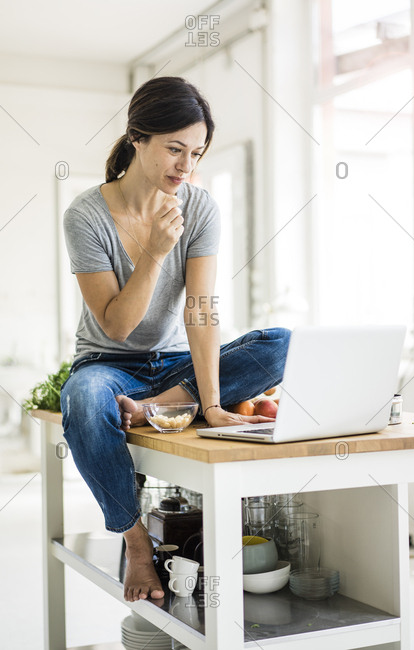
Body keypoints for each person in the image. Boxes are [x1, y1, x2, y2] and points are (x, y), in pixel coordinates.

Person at [60, 76, 291, 603]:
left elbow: (200, 308)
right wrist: (157, 252)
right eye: (174, 149)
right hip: (108, 361)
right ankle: (136, 541)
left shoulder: (200, 207)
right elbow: (116, 325)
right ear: (138, 137)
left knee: (280, 343)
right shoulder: (86, 215)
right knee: (82, 400)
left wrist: (211, 404)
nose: (185, 167)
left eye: (197, 153)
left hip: (174, 365)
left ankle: (153, 408)